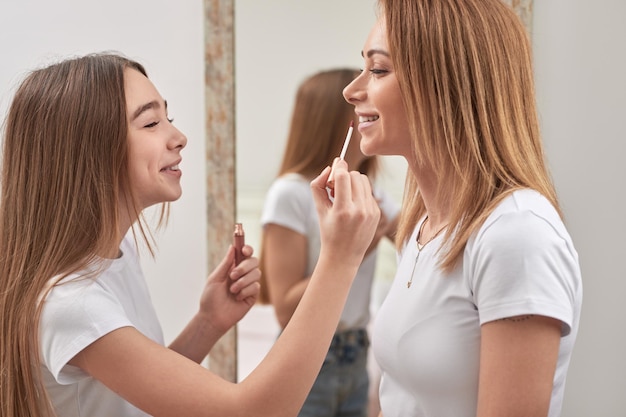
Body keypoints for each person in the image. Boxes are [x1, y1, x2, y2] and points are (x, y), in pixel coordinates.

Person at [0, 52, 381, 417]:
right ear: (86, 151)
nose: (179, 136)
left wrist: (207, 322)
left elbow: (138, 399)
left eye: (169, 117)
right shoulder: (71, 302)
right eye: (151, 123)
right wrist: (340, 257)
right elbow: (255, 412)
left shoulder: (118, 255)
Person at [341, 1, 583, 417]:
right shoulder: (422, 229)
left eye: (378, 70)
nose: (352, 90)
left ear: (444, 84)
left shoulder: (517, 234)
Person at [259, 68, 399, 417]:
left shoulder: (372, 195)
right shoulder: (290, 195)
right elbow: (285, 308)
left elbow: (427, 243)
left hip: (357, 357)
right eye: (360, 107)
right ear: (333, 122)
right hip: (309, 360)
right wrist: (356, 248)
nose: (373, 108)